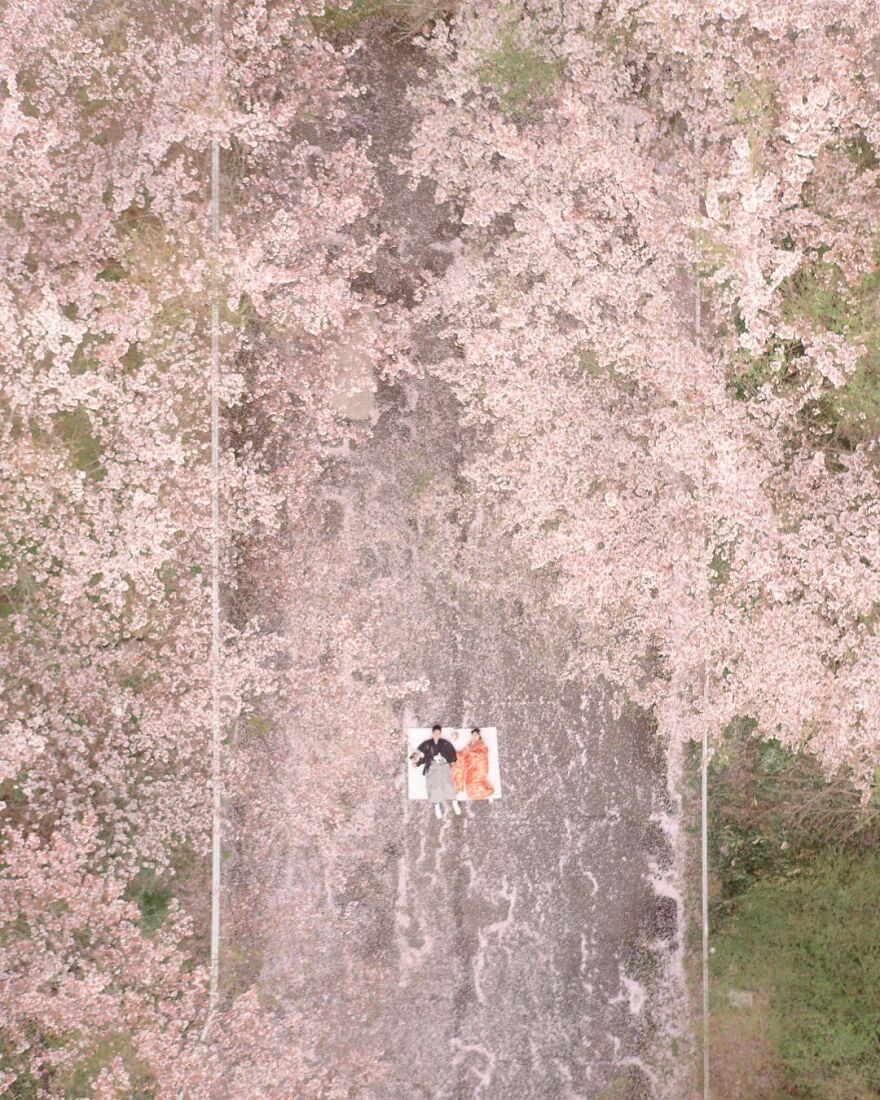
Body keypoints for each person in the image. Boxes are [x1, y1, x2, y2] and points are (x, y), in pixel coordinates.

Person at [411, 724, 461, 819]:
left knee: (449, 784)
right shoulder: (427, 744)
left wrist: (449, 760)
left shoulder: (445, 743)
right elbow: (420, 755)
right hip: (433, 766)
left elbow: (452, 754)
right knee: (434, 786)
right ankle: (436, 805)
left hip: (444, 765)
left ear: (440, 733)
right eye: (435, 733)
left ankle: (454, 802)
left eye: (438, 733)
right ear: (433, 733)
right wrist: (417, 763)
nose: (437, 734)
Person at [451, 727, 495, 800]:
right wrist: (459, 755)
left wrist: (472, 754)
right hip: (471, 766)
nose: (474, 736)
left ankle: (485, 792)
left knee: (475, 780)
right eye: (473, 735)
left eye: (476, 735)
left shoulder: (481, 744)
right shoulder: (470, 745)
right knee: (469, 781)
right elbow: (463, 752)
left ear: (479, 736)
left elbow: (483, 754)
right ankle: (475, 793)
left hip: (479, 766)